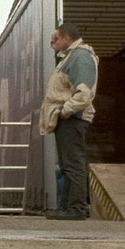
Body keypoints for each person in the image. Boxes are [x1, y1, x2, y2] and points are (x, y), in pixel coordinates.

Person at [39, 23, 97, 219]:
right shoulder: (69, 58)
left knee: (73, 164)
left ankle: (77, 209)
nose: (52, 43)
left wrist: (65, 111)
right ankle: (66, 208)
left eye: (55, 39)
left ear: (66, 38)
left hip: (73, 118)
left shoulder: (80, 57)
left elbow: (85, 93)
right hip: (67, 119)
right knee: (67, 166)